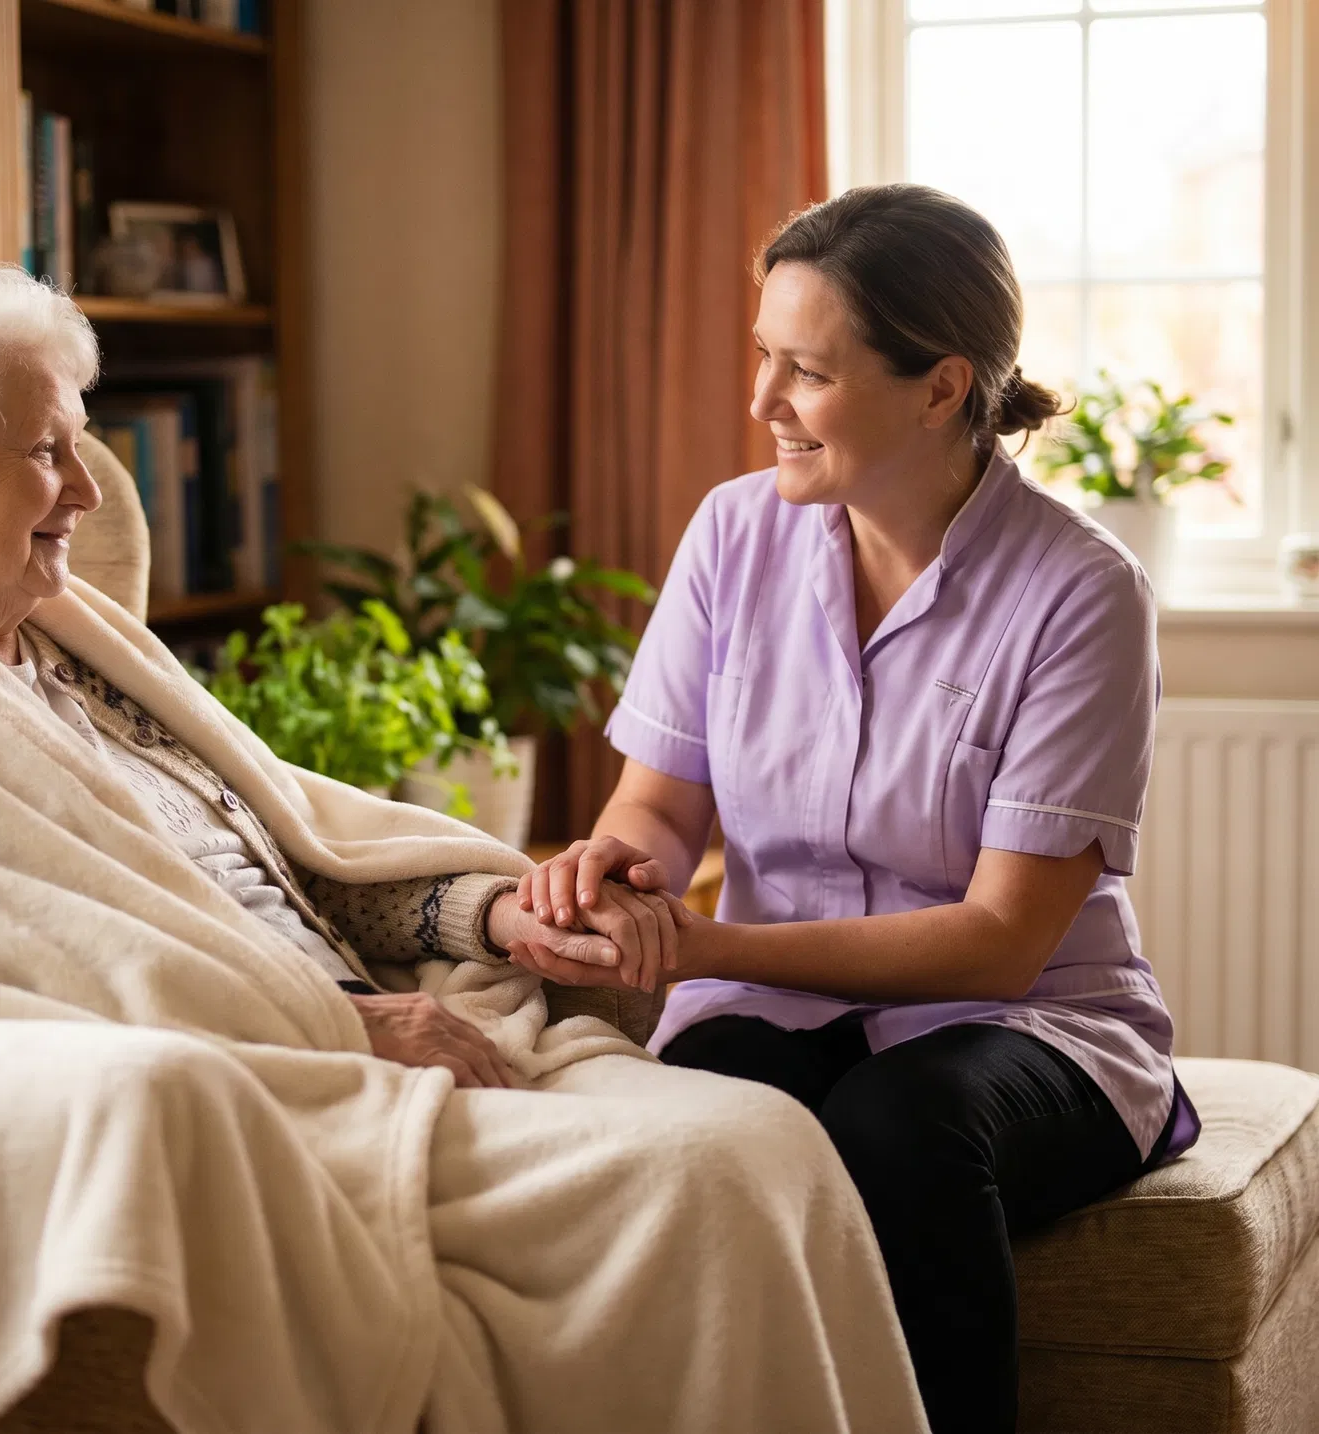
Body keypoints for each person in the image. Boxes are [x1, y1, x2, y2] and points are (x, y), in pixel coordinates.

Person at [0, 255, 929, 1433]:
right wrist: (349, 1030)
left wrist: (483, 919)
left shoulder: (52, 635)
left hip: (386, 1022)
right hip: (293, 1080)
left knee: (764, 1140)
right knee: (712, 1171)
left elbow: (296, 849)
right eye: (48, 452)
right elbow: (4, 964)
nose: (91, 494)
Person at [514, 184, 1199, 1434]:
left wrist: (705, 945)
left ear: (941, 387)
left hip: (1033, 1028)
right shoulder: (733, 536)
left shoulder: (1083, 593)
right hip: (777, 1001)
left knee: (898, 1123)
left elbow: (1001, 940)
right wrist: (621, 867)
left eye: (806, 372)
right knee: (713, 1098)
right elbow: (661, 807)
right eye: (763, 357)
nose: (763, 401)